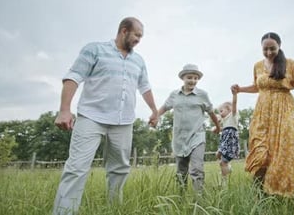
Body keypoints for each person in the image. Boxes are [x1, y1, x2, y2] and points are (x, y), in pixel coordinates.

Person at [53, 17, 158, 215]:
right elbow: (73, 76)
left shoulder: (138, 60)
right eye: (137, 35)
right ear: (124, 30)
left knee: (120, 169)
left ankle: (114, 209)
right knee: (76, 168)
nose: (139, 40)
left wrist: (154, 110)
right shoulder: (95, 50)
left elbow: (145, 87)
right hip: (91, 117)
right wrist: (65, 109)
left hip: (123, 122)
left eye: (141, 37)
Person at [231, 32, 294, 199]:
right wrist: (240, 89)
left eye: (272, 48)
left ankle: (290, 194)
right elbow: (258, 86)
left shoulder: (291, 65)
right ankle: (260, 195)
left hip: (285, 113)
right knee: (260, 152)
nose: (269, 52)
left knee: (285, 151)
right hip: (262, 114)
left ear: (279, 46)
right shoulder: (258, 65)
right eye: (265, 49)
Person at [150, 64, 221, 194]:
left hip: (197, 137)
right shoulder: (174, 95)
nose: (193, 80)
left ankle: (198, 202)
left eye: (195, 78)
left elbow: (211, 112)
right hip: (179, 139)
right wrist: (155, 117)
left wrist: (217, 126)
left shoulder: (202, 95)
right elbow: (164, 107)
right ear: (183, 78)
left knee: (196, 170)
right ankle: (181, 199)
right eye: (189, 77)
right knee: (181, 172)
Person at [215, 91, 240, 187]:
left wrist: (234, 95)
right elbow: (223, 129)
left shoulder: (232, 117)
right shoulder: (225, 121)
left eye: (221, 111)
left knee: (222, 162)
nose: (220, 113)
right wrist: (216, 128)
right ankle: (228, 168)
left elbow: (234, 104)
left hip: (230, 143)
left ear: (229, 110)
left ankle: (223, 182)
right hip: (225, 142)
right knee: (220, 158)